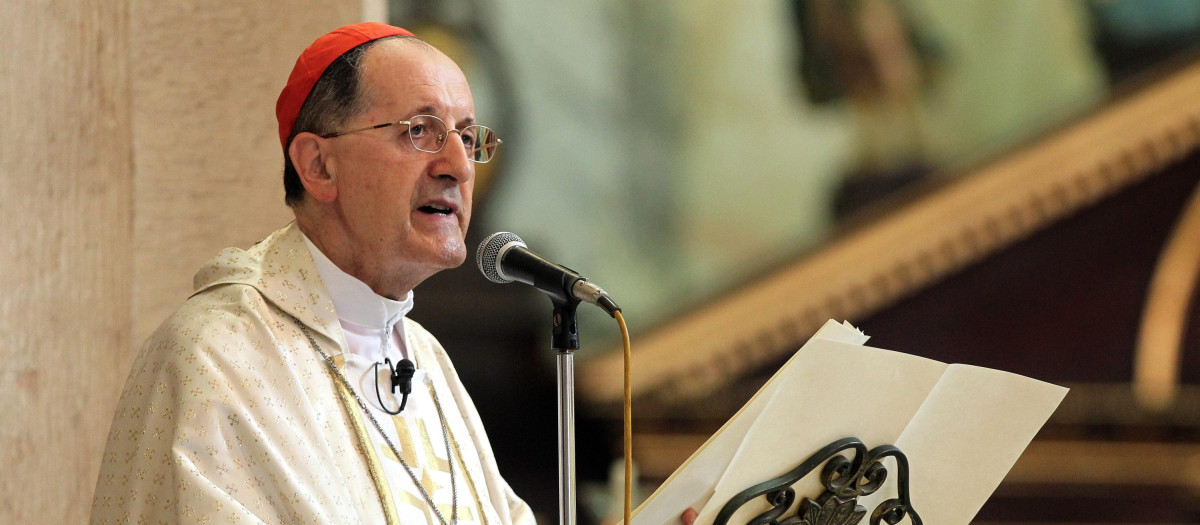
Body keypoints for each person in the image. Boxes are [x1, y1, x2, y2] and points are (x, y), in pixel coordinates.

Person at [90, 22, 533, 524]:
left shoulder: (427, 360)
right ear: (318, 165)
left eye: (468, 136)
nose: (460, 165)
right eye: (419, 131)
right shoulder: (219, 357)